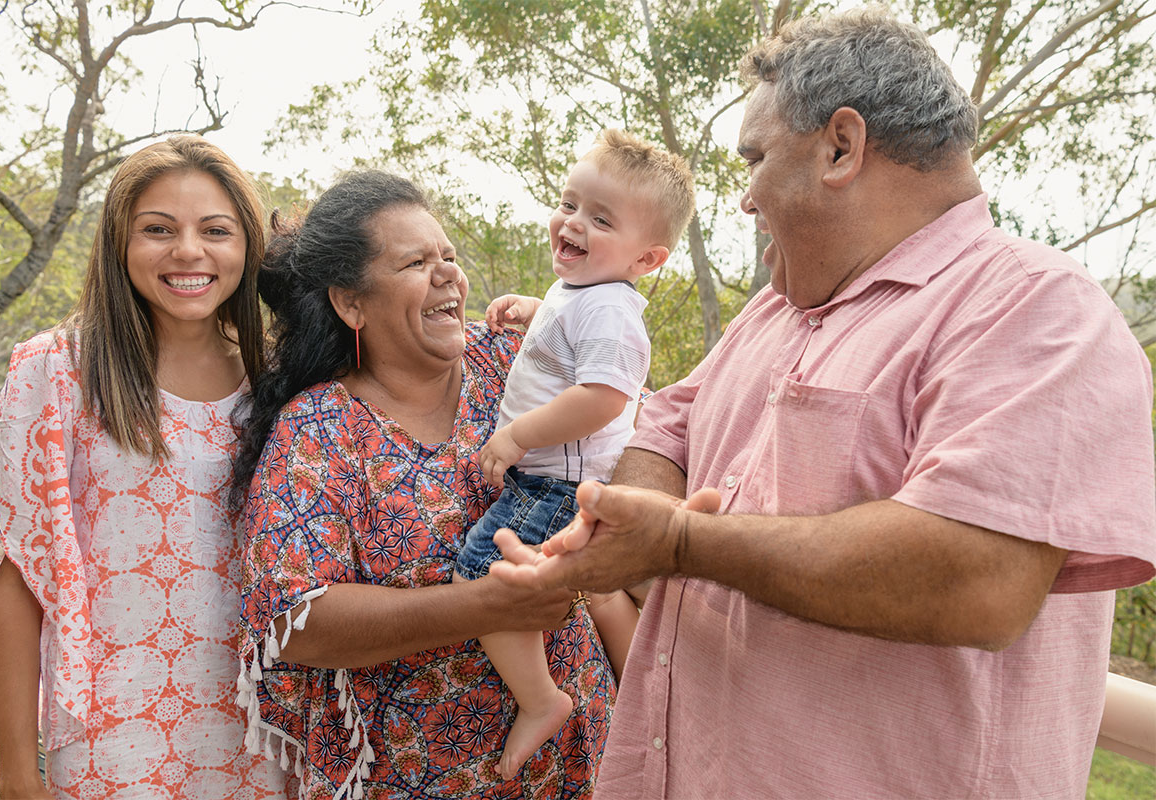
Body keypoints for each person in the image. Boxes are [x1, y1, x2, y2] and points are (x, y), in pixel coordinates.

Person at [492, 9, 1156, 798]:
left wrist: (679, 545)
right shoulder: (773, 311)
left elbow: (982, 577)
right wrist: (619, 528)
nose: (743, 199)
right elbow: (665, 432)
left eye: (757, 158)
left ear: (840, 147)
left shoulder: (1036, 309)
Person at [231, 169, 615, 799]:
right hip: (418, 777)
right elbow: (292, 620)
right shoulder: (322, 428)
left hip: (581, 761)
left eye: (450, 256)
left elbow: (635, 419)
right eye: (415, 262)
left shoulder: (517, 361)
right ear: (350, 302)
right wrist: (483, 606)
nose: (448, 275)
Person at [0, 135, 288, 799]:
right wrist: (15, 770)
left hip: (264, 729)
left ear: (246, 248)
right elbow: (15, 575)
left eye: (215, 230)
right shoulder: (55, 370)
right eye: (157, 229)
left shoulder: (279, 374)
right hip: (113, 737)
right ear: (119, 240)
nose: (188, 251)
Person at [453, 128, 696, 779]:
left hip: (554, 484)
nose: (573, 223)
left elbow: (605, 396)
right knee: (600, 589)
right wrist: (537, 311)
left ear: (646, 260)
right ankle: (634, 692)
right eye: (569, 204)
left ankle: (541, 701)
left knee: (482, 577)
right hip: (560, 481)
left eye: (600, 219)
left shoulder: (613, 310)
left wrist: (518, 435)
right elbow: (570, 339)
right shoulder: (585, 292)